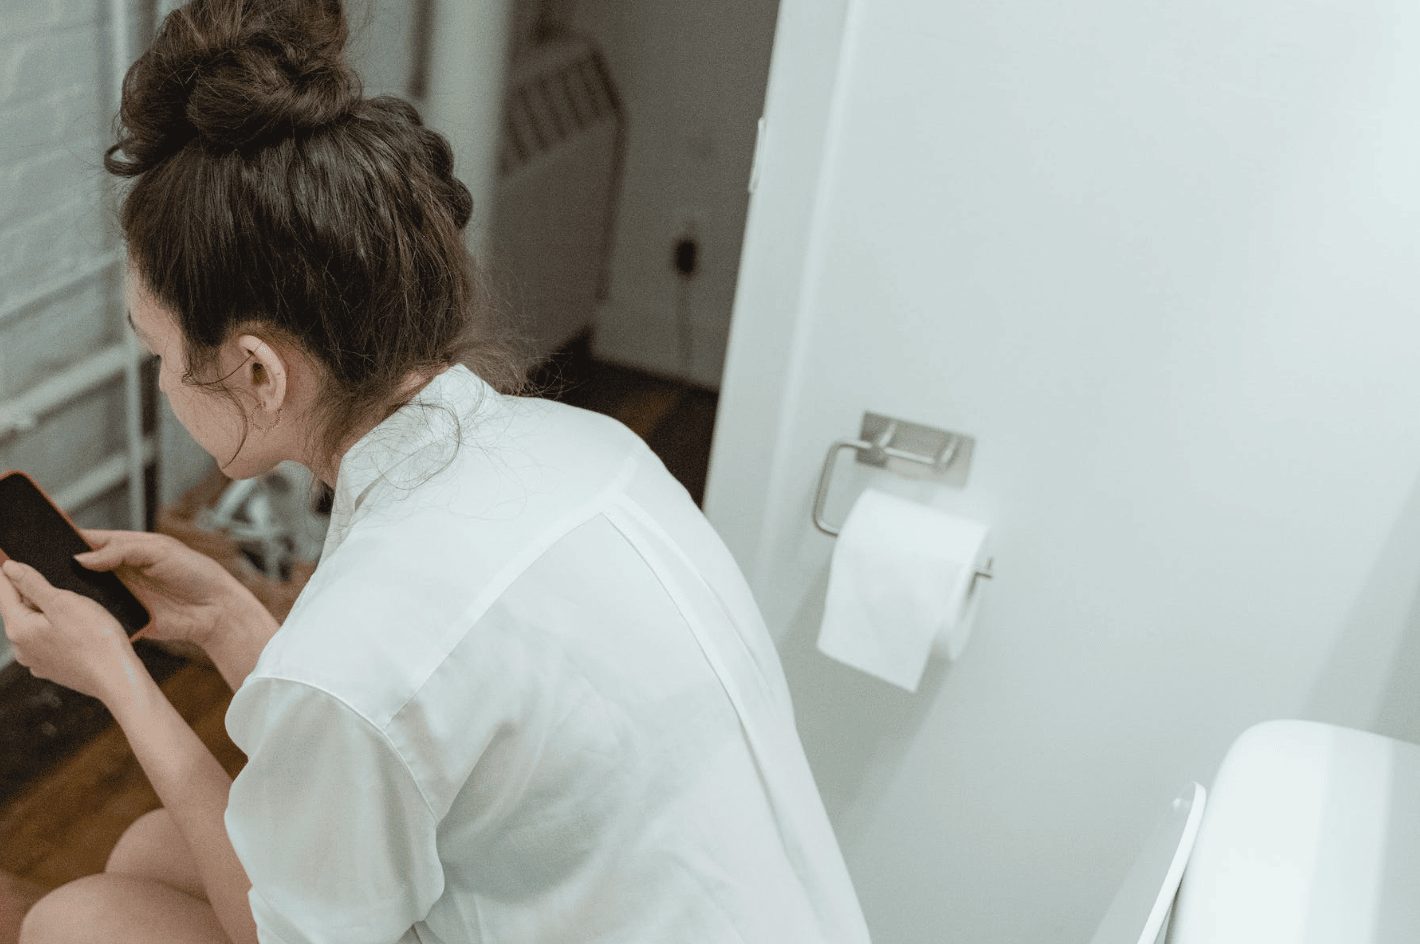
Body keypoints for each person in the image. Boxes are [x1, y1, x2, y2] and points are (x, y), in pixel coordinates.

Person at [0, 1, 870, 942]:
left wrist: (118, 683)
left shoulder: (365, 638)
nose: (163, 380)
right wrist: (229, 620)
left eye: (159, 352)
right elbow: (413, 734)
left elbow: (337, 792)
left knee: (80, 918)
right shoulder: (589, 452)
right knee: (145, 853)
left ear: (257, 370)